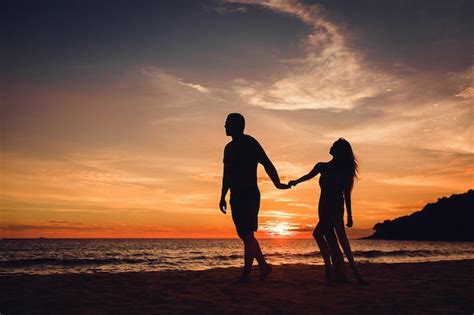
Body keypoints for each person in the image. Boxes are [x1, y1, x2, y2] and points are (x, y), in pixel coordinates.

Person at [219, 113, 289, 283]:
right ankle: (253, 272)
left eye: (228, 123)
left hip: (249, 193)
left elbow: (266, 162)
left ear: (237, 125)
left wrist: (278, 183)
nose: (225, 126)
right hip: (234, 195)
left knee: (247, 234)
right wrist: (222, 196)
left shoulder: (250, 142)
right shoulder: (228, 148)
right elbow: (226, 174)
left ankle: (259, 269)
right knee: (245, 235)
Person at [289, 138, 366, 285]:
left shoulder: (345, 171)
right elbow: (308, 176)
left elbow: (347, 194)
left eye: (334, 146)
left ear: (339, 152)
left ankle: (348, 272)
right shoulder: (322, 166)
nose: (331, 147)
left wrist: (350, 215)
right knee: (330, 239)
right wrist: (295, 182)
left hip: (336, 206)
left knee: (336, 238)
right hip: (323, 206)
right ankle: (338, 274)